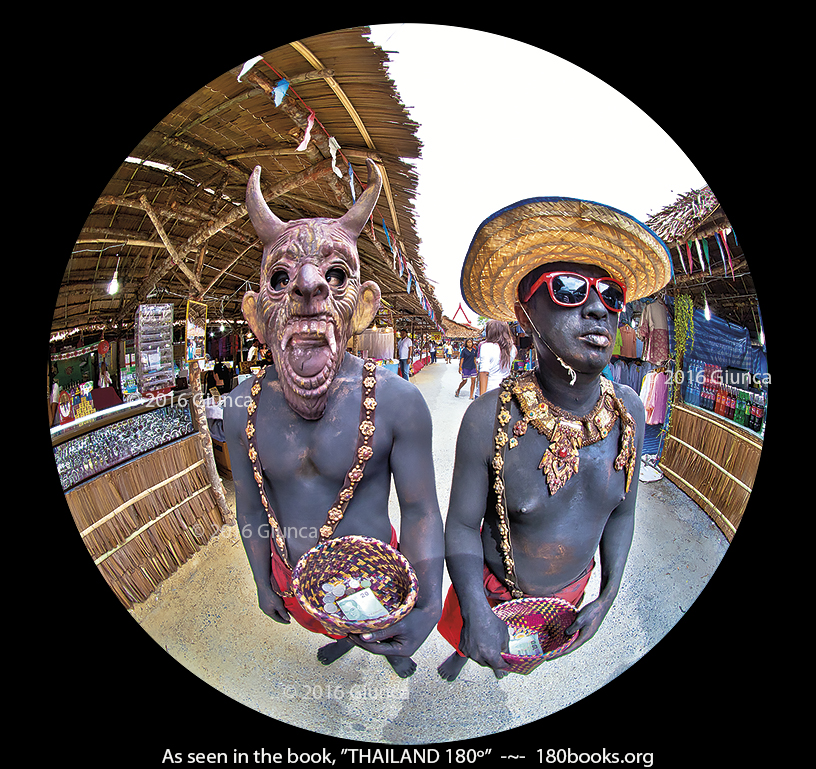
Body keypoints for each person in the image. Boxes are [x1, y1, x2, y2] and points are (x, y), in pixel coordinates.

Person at [437, 196, 671, 681]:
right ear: (526, 316)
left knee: (515, 661)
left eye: (611, 295)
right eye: (568, 289)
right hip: (492, 587)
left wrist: (605, 599)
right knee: (471, 636)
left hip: (570, 595)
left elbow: (622, 512)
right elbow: (461, 527)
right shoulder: (489, 419)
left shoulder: (628, 410)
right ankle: (463, 646)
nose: (596, 309)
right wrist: (479, 613)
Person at [225, 160, 443, 679]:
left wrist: (430, 601)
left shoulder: (396, 401)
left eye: (336, 275)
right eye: (282, 278)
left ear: (363, 307)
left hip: (375, 576)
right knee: (338, 628)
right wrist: (262, 579)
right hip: (295, 578)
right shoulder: (240, 407)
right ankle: (340, 636)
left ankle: (368, 639)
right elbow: (251, 507)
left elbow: (419, 511)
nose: (308, 286)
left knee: (377, 632)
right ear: (256, 316)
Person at [477, 320, 517, 394]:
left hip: (489, 390)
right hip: (505, 389)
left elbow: (484, 372)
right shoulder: (512, 348)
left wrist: (482, 398)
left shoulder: (486, 346)